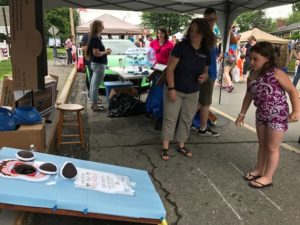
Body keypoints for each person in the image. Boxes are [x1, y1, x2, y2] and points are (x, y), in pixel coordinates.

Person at [235, 41, 300, 188]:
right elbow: (248, 96)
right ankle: (259, 169)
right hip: (261, 115)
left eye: (255, 59)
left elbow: (292, 91)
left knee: (272, 147)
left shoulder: (277, 73)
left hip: (277, 115)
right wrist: (242, 113)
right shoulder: (252, 76)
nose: (251, 62)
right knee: (263, 145)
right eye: (250, 58)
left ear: (267, 58)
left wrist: (296, 111)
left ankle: (268, 176)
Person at [161, 18, 214, 160]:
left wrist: (204, 76)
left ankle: (181, 145)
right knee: (170, 118)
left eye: (197, 32)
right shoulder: (181, 46)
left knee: (186, 119)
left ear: (204, 34)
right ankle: (165, 146)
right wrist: (171, 89)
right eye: (191, 30)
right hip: (175, 88)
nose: (193, 34)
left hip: (193, 91)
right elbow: (170, 69)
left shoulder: (206, 51)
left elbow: (206, 70)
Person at [197, 7, 220, 137]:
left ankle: (186, 124)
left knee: (199, 102)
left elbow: (213, 54)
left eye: (212, 19)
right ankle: (203, 128)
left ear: (216, 19)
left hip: (209, 72)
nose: (210, 22)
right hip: (206, 73)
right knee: (204, 103)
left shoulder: (211, 35)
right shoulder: (206, 36)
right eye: (207, 20)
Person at [146, 27, 174, 130]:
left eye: (162, 33)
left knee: (161, 94)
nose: (160, 35)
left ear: (166, 34)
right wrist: (151, 63)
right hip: (156, 69)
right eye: (158, 33)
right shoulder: (154, 42)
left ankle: (160, 116)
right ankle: (152, 111)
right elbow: (150, 54)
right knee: (154, 91)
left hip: (165, 71)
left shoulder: (170, 44)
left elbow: (172, 59)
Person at [86, 20, 112, 111]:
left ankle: (94, 103)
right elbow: (96, 53)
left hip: (97, 64)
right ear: (97, 27)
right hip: (98, 65)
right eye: (102, 25)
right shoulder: (96, 38)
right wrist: (106, 52)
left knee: (93, 85)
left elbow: (95, 52)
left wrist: (105, 51)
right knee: (95, 86)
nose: (103, 27)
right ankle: (95, 106)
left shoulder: (95, 37)